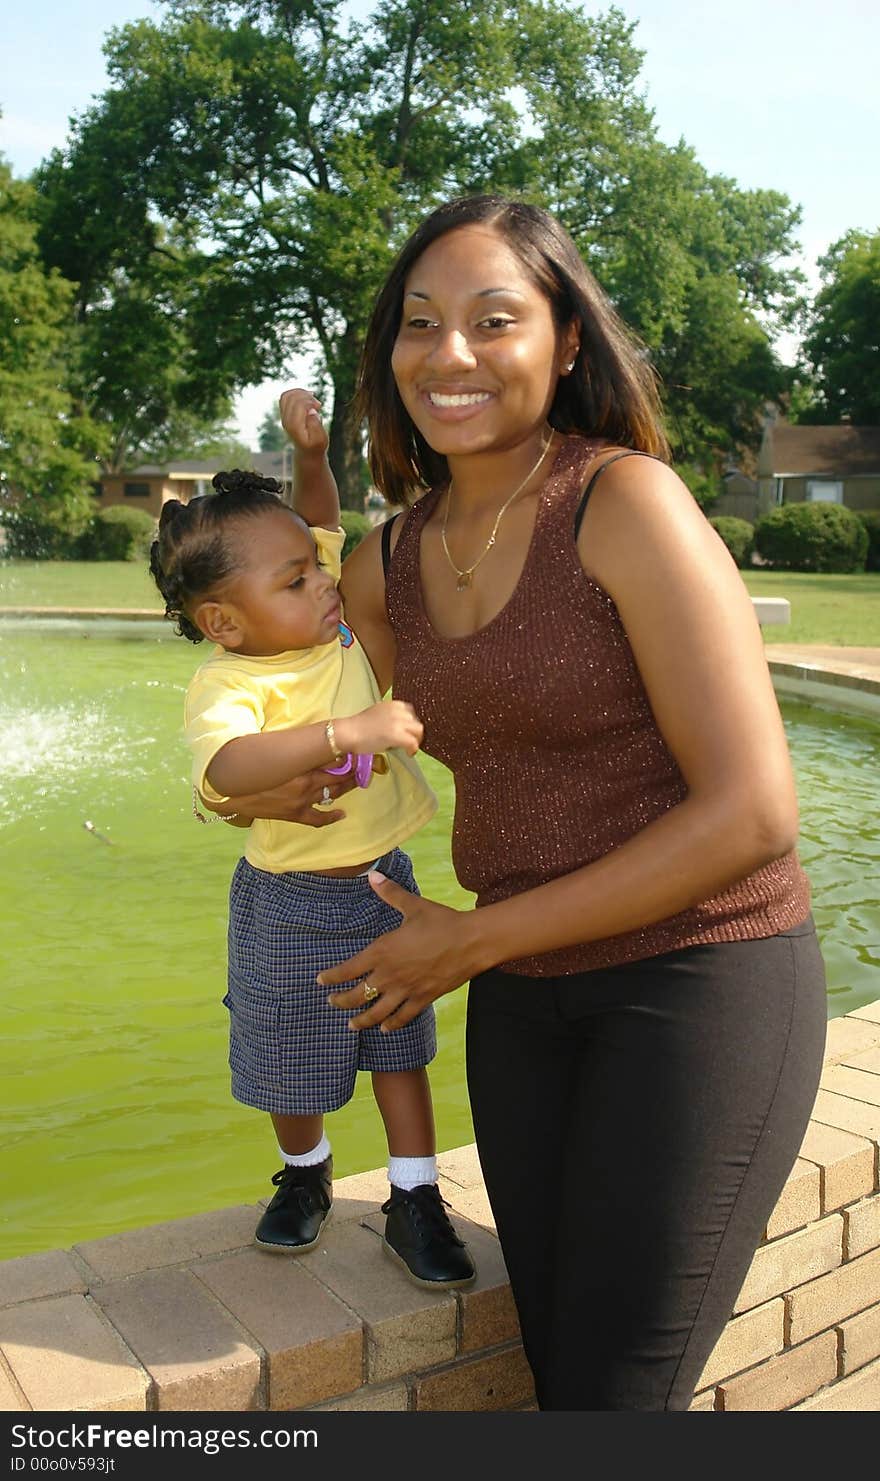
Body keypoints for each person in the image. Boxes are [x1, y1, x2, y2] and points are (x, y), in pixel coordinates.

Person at [232, 195, 827, 1412]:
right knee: (556, 1359)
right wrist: (261, 782)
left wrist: (467, 941)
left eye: (491, 320)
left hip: (699, 979)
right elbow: (352, 755)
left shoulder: (625, 503)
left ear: (562, 343)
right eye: (418, 323)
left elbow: (754, 811)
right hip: (525, 1006)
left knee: (614, 1389)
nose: (447, 353)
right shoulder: (385, 562)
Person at [147, 390, 475, 1290]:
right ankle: (304, 1172)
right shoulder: (228, 682)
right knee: (292, 1065)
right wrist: (345, 733)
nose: (325, 580)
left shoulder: (329, 628)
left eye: (315, 567)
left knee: (399, 1049)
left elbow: (320, 521)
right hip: (286, 902)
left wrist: (313, 453)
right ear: (223, 622)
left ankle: (414, 1195)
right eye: (294, 581)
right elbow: (230, 767)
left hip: (380, 882)